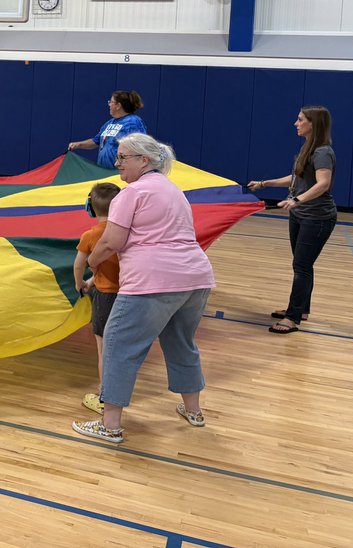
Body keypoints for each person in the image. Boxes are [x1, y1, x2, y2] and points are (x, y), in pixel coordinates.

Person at [72, 133, 215, 445]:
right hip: (196, 279)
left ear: (144, 160)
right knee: (181, 344)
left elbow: (111, 241)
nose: (116, 162)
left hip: (152, 283)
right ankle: (194, 411)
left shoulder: (131, 194)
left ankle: (109, 425)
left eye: (123, 157)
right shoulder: (176, 192)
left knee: (118, 346)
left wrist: (94, 265)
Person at [248, 106, 336, 334]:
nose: (295, 123)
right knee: (302, 264)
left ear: (312, 124)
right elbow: (295, 178)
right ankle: (302, 309)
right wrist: (265, 183)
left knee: (302, 266)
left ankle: (292, 317)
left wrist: (297, 200)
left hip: (317, 217)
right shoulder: (308, 148)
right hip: (300, 215)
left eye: (300, 120)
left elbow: (323, 183)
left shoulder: (323, 152)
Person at [72, 181, 122, 415]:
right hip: (128, 295)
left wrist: (80, 283)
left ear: (91, 207)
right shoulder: (124, 232)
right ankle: (119, 390)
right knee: (120, 347)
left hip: (106, 298)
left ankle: (105, 396)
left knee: (104, 350)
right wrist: (93, 280)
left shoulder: (91, 235)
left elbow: (79, 264)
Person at [68, 90, 147, 168]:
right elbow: (96, 141)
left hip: (119, 173)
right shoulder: (109, 123)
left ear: (118, 106)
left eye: (111, 102)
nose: (109, 105)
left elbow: (139, 147)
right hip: (104, 172)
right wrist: (78, 145)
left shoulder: (133, 122)